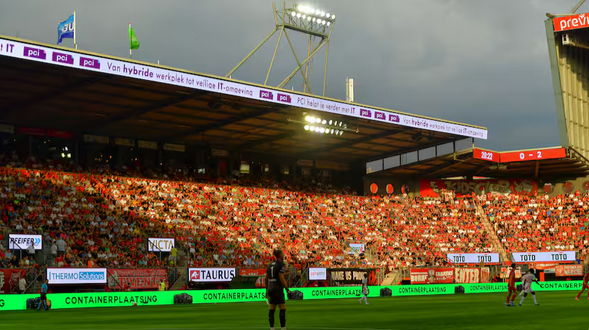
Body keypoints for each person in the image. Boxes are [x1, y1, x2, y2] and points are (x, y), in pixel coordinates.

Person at [266, 249, 291, 330]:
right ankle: (283, 328)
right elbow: (281, 277)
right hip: (277, 288)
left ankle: (272, 328)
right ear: (280, 255)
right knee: (282, 307)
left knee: (272, 308)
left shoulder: (270, 265)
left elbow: (266, 278)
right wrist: (287, 289)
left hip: (270, 287)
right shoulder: (281, 264)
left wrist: (267, 289)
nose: (284, 255)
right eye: (283, 254)